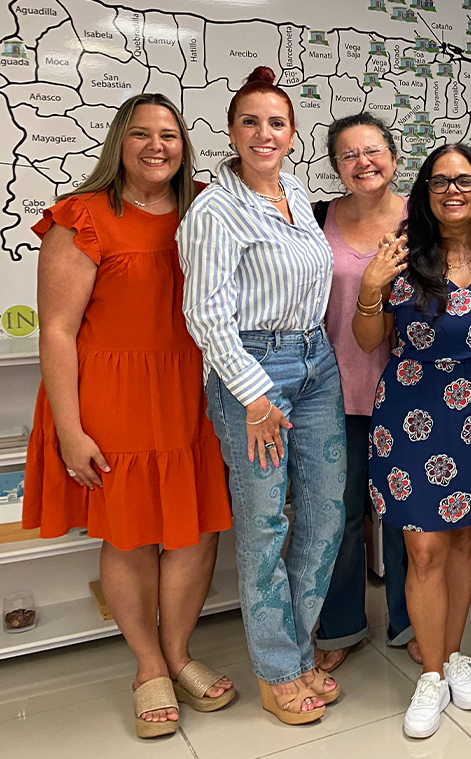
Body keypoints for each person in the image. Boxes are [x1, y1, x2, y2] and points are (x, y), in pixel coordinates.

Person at [22, 93, 234, 739]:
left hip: (192, 393)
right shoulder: (82, 216)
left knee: (198, 533)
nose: (155, 146)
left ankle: (179, 653)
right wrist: (68, 428)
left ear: (183, 144)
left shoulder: (207, 205)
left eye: (168, 134)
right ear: (120, 141)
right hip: (112, 401)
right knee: (131, 534)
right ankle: (148, 665)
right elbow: (56, 330)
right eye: (140, 133)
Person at [178, 66, 345, 725]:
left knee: (326, 514)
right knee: (266, 522)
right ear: (231, 131)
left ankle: (297, 651)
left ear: (292, 134)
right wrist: (251, 395)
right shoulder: (214, 208)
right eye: (250, 121)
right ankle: (277, 667)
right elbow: (207, 314)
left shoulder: (297, 193)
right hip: (253, 370)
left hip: (315, 361)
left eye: (276, 122)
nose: (264, 132)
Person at [352, 143, 471, 740]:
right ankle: (431, 675)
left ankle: (453, 656)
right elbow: (366, 338)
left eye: (463, 179)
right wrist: (372, 286)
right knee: (423, 548)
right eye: (438, 181)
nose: (452, 190)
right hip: (411, 411)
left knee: (461, 542)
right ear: (425, 192)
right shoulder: (403, 255)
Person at [311, 112, 415, 671]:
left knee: (403, 513)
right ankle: (341, 626)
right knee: (342, 515)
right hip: (332, 392)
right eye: (348, 155)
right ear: (335, 167)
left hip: (409, 395)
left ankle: (409, 621)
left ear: (394, 157)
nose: (363, 163)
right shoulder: (314, 219)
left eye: (372, 151)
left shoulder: (423, 221)